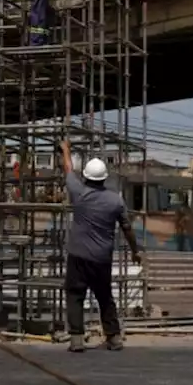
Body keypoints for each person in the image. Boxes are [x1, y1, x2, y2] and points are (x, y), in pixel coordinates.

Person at [60, 138, 142, 353]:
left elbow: (68, 169)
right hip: (101, 258)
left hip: (78, 256)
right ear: (104, 178)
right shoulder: (116, 201)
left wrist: (66, 149)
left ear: (86, 176)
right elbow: (127, 229)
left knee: (75, 295)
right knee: (105, 297)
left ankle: (77, 339)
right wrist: (135, 251)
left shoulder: (78, 193)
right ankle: (114, 338)